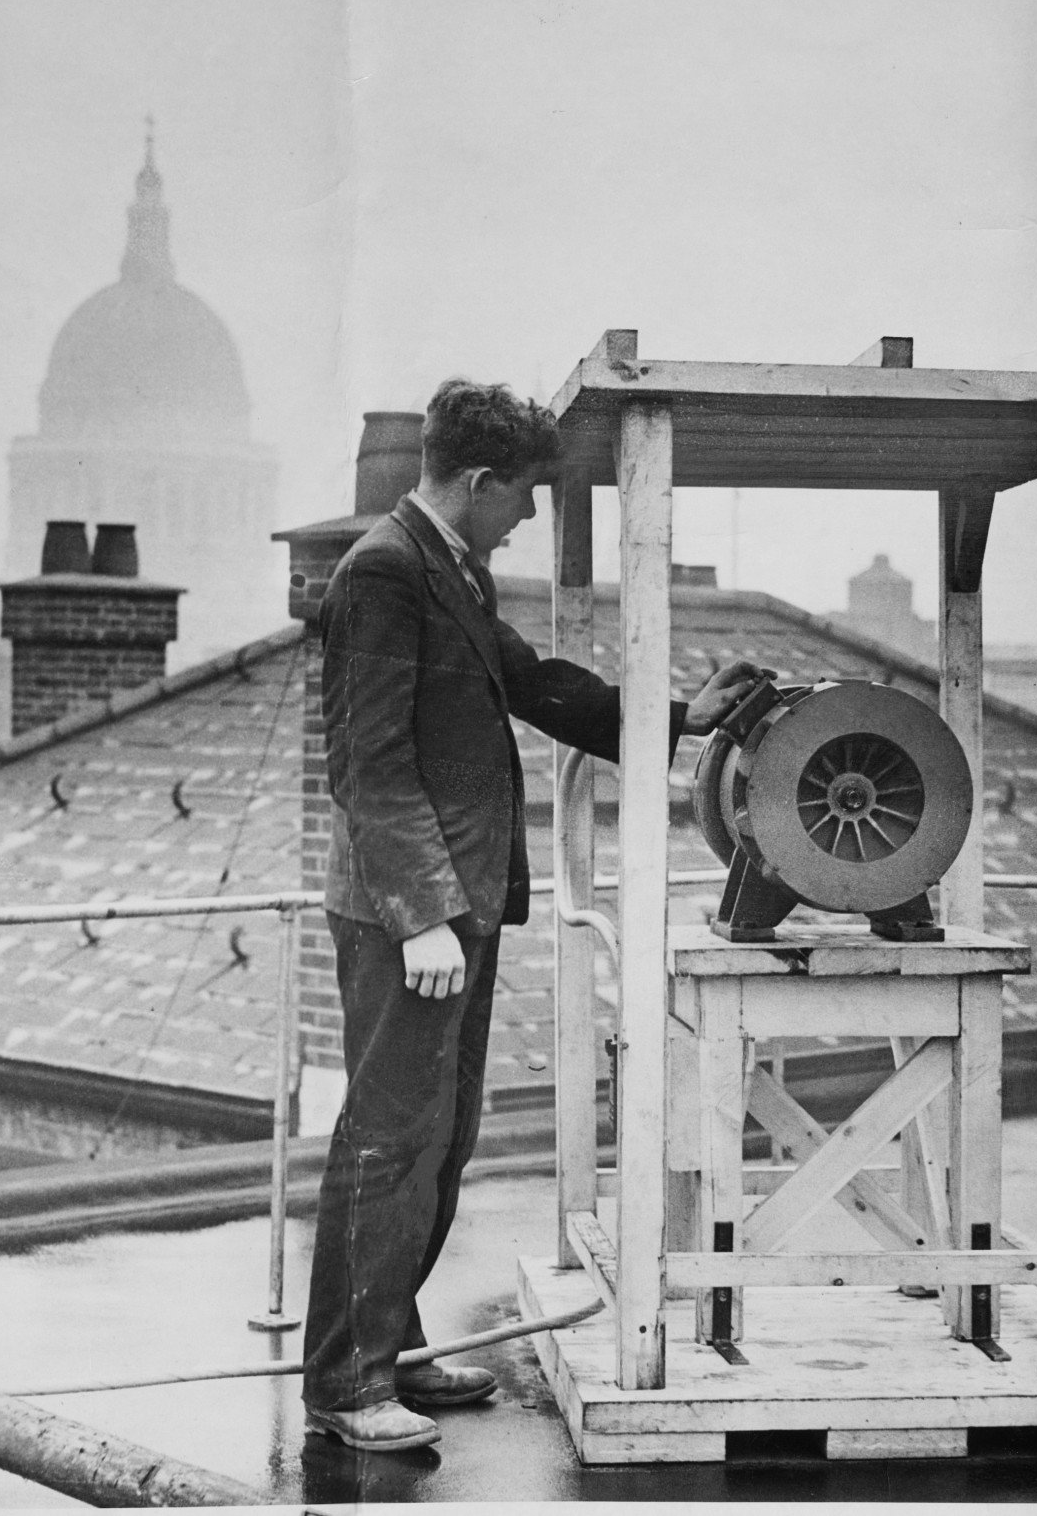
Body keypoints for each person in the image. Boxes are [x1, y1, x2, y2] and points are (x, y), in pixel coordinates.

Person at [300, 378, 766, 1452]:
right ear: (474, 481)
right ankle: (346, 1384)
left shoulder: (448, 570)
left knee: (441, 1139)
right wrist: (420, 915)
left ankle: (392, 1349)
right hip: (403, 915)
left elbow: (539, 685)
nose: (527, 517)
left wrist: (681, 721)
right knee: (389, 1136)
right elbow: (365, 765)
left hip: (450, 905)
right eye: (522, 497)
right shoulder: (383, 573)